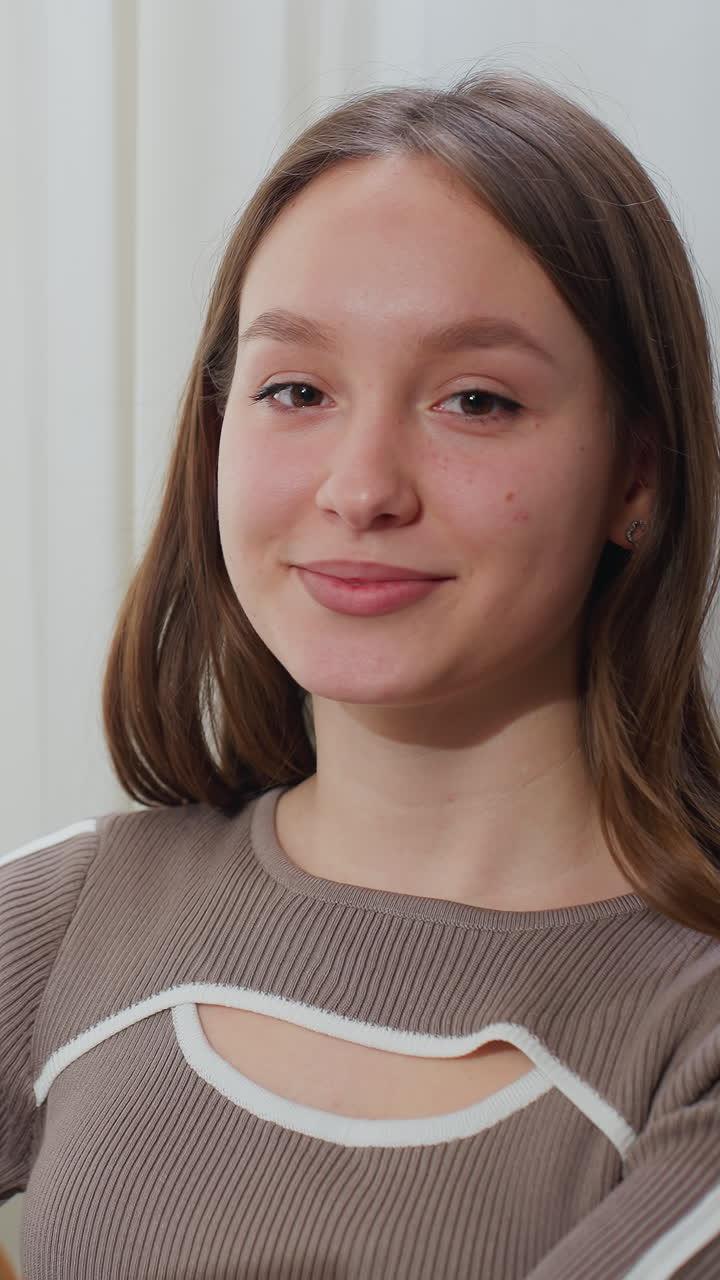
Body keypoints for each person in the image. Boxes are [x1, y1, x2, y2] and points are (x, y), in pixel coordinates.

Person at [2, 68, 720, 1279]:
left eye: (477, 399)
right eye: (296, 389)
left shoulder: (690, 1023)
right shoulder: (67, 912)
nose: (360, 486)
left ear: (637, 476)